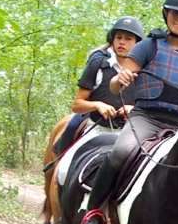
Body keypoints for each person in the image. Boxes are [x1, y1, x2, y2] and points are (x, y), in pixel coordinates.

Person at [77, 0, 178, 224]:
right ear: (166, 14)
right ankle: (93, 212)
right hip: (147, 118)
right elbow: (115, 85)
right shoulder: (149, 45)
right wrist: (121, 79)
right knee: (120, 152)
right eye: (175, 13)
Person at [53, 16, 145, 156]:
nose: (122, 42)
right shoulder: (98, 63)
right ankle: (58, 159)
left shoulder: (143, 70)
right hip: (96, 125)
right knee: (71, 129)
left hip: (128, 131)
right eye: (118, 37)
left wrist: (133, 109)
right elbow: (77, 105)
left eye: (128, 39)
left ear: (137, 43)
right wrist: (97, 105)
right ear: (112, 39)